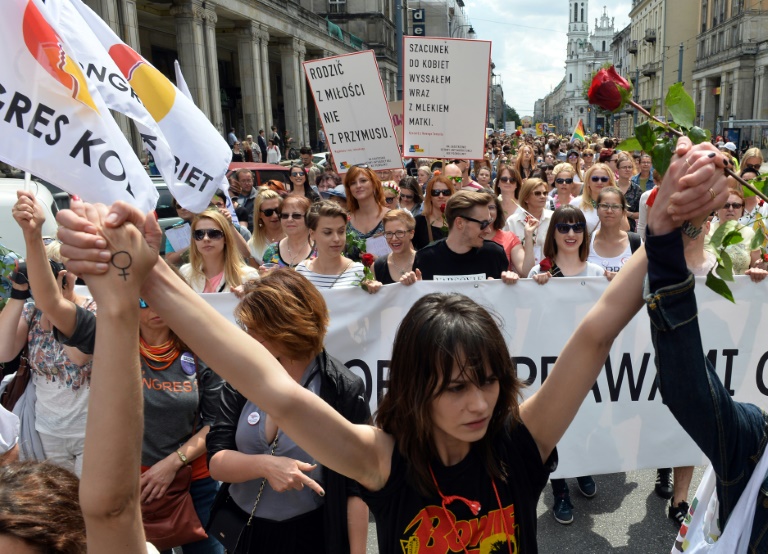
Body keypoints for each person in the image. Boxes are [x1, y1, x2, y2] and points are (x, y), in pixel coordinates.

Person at [53, 135, 732, 554]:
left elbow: (594, 331)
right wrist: (154, 278)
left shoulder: (519, 445)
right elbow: (272, 385)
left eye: (488, 379)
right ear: (414, 387)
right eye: (455, 385)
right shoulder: (382, 461)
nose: (479, 401)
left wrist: (661, 224)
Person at [206, 271, 370, 554]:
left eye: (256, 330)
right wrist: (266, 466)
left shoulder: (340, 386)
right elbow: (217, 461)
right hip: (246, 533)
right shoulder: (241, 376)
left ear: (286, 328)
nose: (248, 339)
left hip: (312, 535)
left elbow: (357, 486)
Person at [1, 193, 94, 476]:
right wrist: (18, 295)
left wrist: (59, 305)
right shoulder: (30, 313)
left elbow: (77, 358)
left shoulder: (91, 310)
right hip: (45, 428)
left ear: (66, 276)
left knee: (86, 509)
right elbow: (4, 352)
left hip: (89, 429)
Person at [413, 191, 516, 282]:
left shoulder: (494, 255)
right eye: (483, 224)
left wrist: (508, 284)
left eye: (489, 222)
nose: (488, 230)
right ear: (460, 223)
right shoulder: (425, 259)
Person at [296, 201, 379, 292]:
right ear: (312, 234)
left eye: (341, 231)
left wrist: (376, 290)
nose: (336, 239)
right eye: (328, 232)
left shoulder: (358, 272)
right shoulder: (301, 272)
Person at [181, 210, 259, 293]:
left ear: (225, 238)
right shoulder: (185, 273)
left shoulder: (249, 276)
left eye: (214, 233)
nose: (206, 239)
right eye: (199, 234)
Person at [528, 205, 606, 283]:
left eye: (577, 227)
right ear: (553, 233)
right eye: (563, 228)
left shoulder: (597, 274)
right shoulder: (537, 273)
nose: (571, 234)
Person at [588, 187, 642, 280]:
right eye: (604, 206)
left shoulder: (635, 242)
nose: (609, 211)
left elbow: (644, 279)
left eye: (615, 206)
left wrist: (621, 278)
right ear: (597, 210)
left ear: (623, 212)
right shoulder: (586, 242)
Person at [706, 189, 761, 274]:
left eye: (736, 205)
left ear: (742, 210)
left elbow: (757, 266)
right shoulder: (705, 230)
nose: (730, 209)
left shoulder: (750, 233)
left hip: (741, 285)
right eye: (726, 205)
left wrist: (758, 269)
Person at [504, 178, 553, 267]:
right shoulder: (512, 222)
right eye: (537, 193)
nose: (543, 196)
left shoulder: (553, 218)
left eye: (545, 193)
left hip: (548, 276)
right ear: (526, 198)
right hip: (520, 276)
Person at [344, 165, 390, 256]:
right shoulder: (345, 220)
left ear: (374, 183)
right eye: (353, 183)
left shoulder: (391, 217)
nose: (358, 186)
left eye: (363, 181)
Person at [261, 195, 315, 269]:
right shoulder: (271, 251)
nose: (289, 219)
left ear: (309, 218)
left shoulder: (321, 250)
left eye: (296, 215)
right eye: (285, 215)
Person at [488, 196, 535, 276]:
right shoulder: (467, 237)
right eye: (482, 207)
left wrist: (528, 234)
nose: (487, 212)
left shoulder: (509, 238)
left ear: (497, 211)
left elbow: (527, 272)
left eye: (491, 207)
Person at [373, 210, 417, 285]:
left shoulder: (424, 260)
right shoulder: (377, 266)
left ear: (411, 233)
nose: (394, 238)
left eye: (399, 232)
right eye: (389, 233)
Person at [572, 163, 618, 234]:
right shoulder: (575, 203)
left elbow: (625, 228)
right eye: (595, 179)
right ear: (588, 182)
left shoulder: (618, 204)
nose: (599, 182)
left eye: (604, 179)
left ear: (610, 183)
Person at [412, 175, 456, 250]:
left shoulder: (458, 220)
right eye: (436, 192)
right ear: (429, 196)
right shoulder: (419, 222)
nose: (441, 196)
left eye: (446, 192)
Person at [246, 190, 285, 267]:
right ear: (259, 214)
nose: (275, 216)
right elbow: (256, 276)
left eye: (278, 210)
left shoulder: (295, 235)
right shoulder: (253, 244)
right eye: (268, 212)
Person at [615, 152, 642, 232]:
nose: (627, 170)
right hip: (610, 228)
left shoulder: (637, 189)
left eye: (629, 167)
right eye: (624, 167)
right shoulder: (611, 187)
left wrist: (627, 213)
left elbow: (641, 213)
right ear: (618, 170)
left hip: (629, 230)